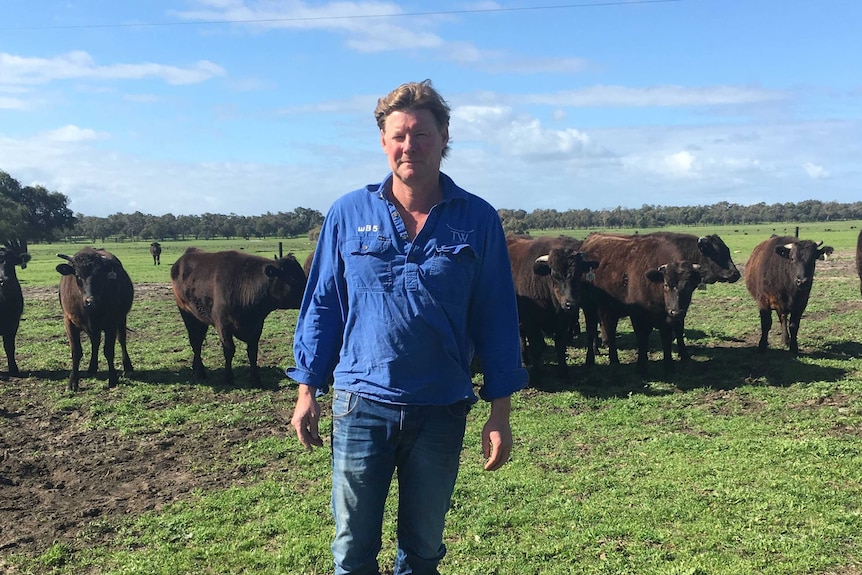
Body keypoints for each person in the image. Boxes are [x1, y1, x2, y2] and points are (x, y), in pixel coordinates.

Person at [288, 79, 528, 575]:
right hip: (360, 405)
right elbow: (323, 306)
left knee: (422, 552)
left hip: (441, 407)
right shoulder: (348, 214)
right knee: (352, 552)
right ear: (383, 142)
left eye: (421, 134)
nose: (409, 146)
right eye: (398, 135)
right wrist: (307, 390)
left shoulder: (477, 218)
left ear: (444, 138)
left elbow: (497, 317)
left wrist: (499, 411)